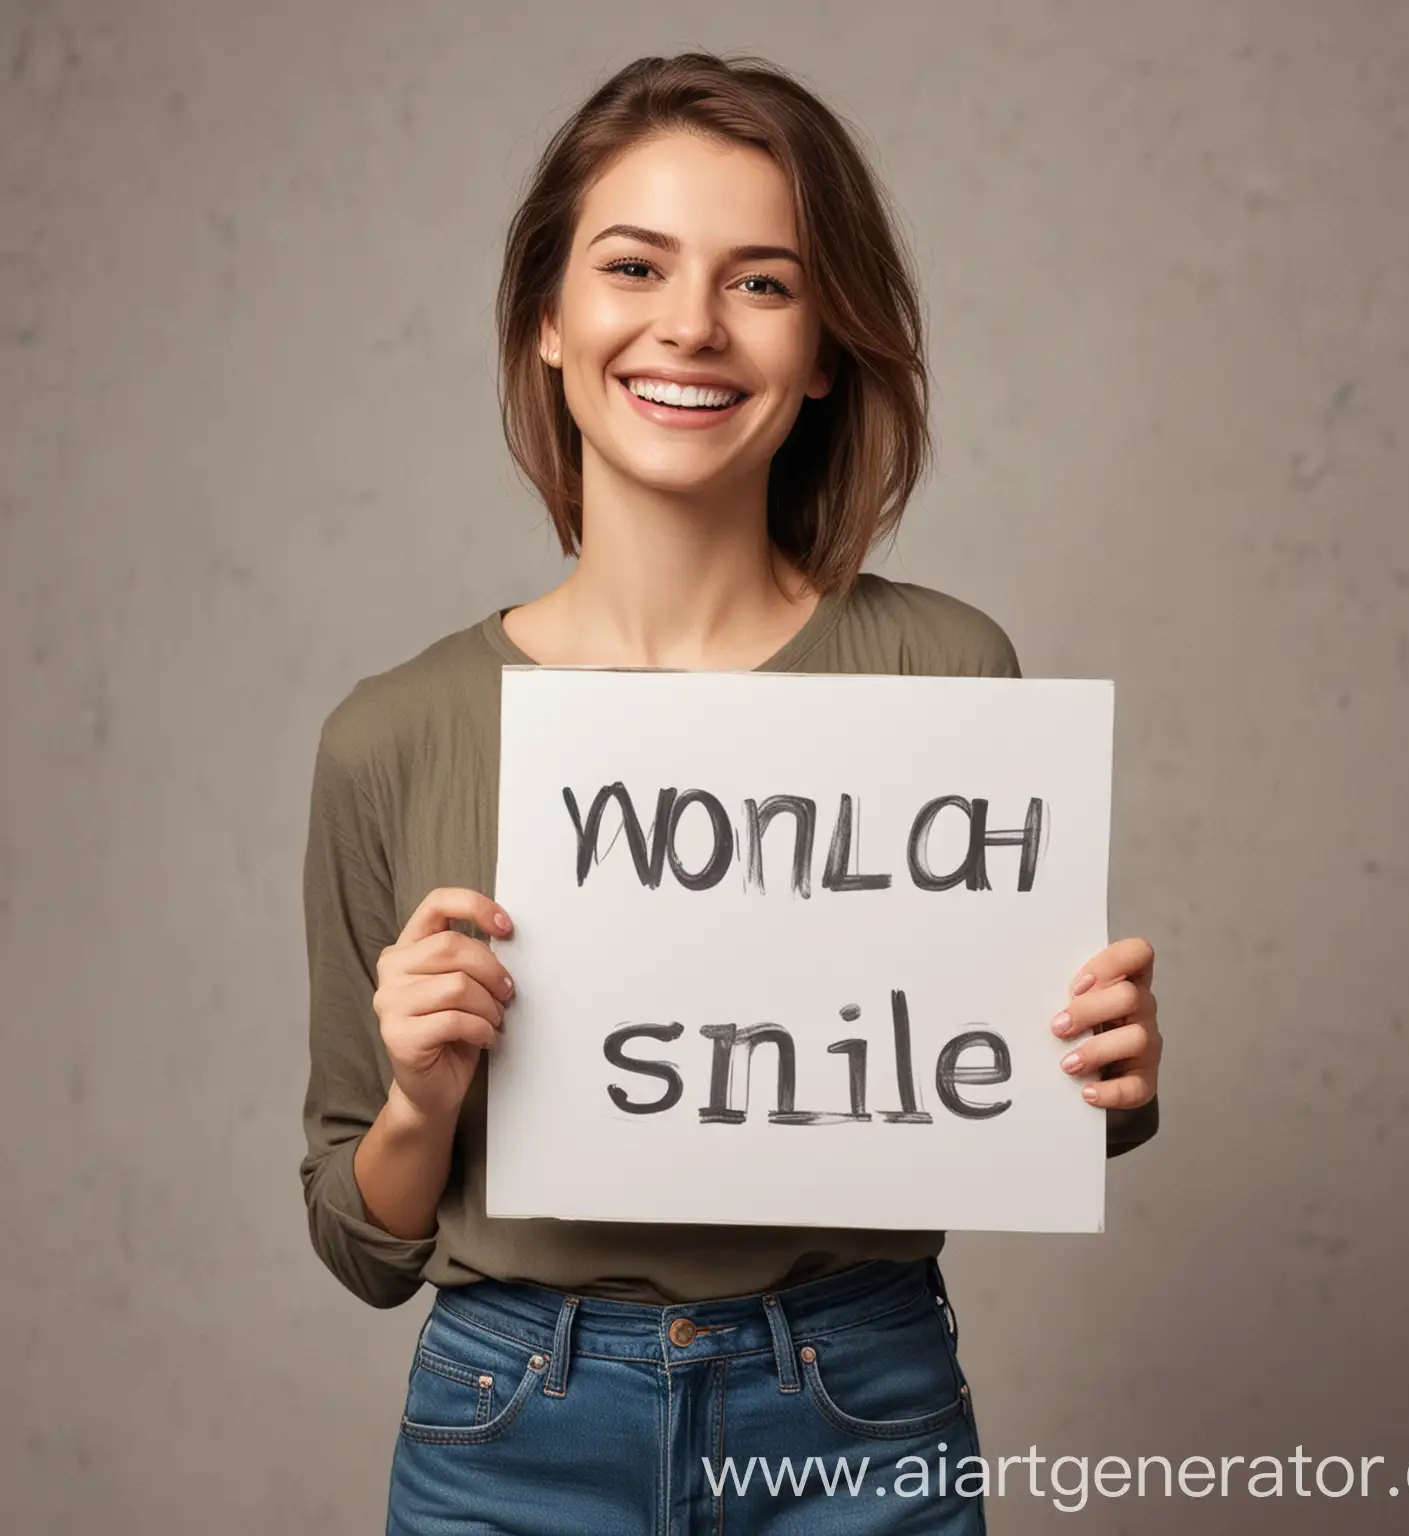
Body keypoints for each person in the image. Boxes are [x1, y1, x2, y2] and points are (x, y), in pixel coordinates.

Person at [299, 51, 1164, 1534]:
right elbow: (363, 1239)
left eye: (763, 281)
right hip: (511, 1421)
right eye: (634, 266)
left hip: (855, 1410)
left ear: (826, 345)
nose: (690, 324)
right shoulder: (395, 733)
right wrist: (421, 1098)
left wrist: (1105, 1073)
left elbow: (1018, 1105)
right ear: (550, 324)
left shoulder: (950, 674)